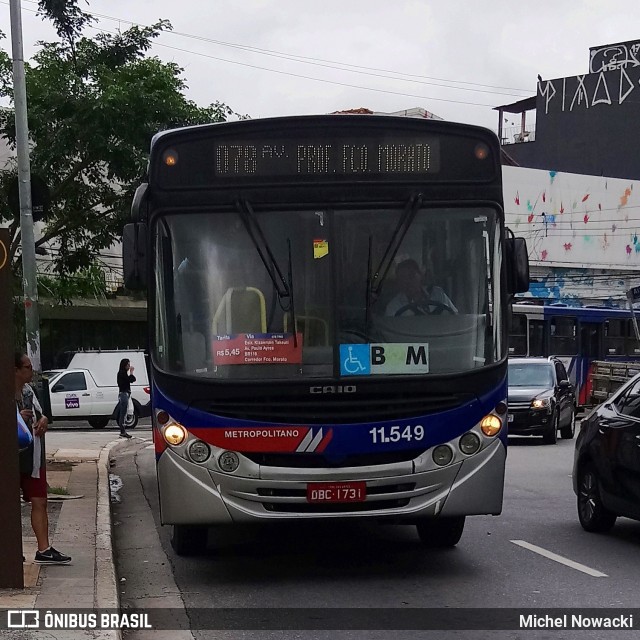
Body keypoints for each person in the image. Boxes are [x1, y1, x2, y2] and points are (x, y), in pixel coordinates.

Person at [15, 352, 72, 565]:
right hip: (11, 458)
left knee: (39, 499)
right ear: (16, 370)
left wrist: (44, 420)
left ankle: (44, 549)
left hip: (32, 456)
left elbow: (41, 413)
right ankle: (11, 549)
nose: (32, 371)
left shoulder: (29, 391)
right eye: (28, 367)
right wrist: (17, 418)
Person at [385, 258, 457, 317]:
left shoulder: (438, 293)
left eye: (411, 276)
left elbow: (455, 317)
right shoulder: (393, 306)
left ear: (420, 276)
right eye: (402, 278)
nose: (408, 282)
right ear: (398, 282)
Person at [117, 358, 135, 438]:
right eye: (128, 365)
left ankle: (123, 430)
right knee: (123, 413)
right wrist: (131, 373)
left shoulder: (123, 373)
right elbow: (130, 380)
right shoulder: (122, 373)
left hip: (125, 394)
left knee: (125, 411)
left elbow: (132, 379)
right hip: (124, 394)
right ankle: (123, 430)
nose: (129, 366)